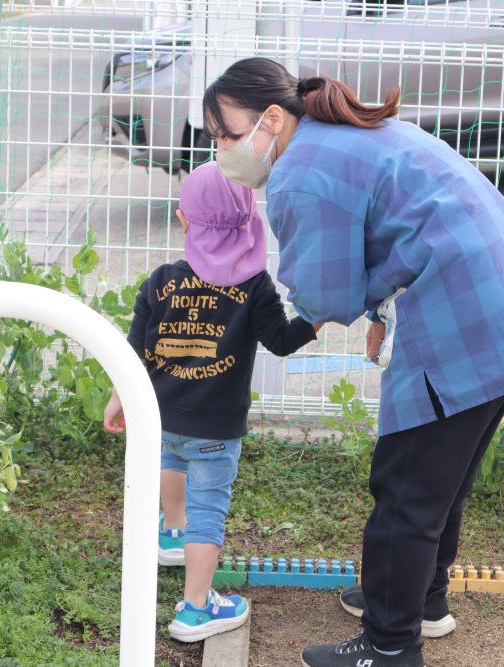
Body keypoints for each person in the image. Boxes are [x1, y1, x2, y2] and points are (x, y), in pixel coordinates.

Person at [202, 57, 504, 667]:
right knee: (440, 483)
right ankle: (421, 601)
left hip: (457, 315)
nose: (220, 150)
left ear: (270, 118)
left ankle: (388, 643)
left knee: (405, 489)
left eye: (224, 134)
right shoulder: (351, 131)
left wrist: (300, 318)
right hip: (497, 302)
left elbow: (326, 293)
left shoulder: (301, 171)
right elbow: (406, 225)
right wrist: (381, 309)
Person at [102, 161, 320, 643]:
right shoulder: (255, 286)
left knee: (170, 457)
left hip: (160, 414)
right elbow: (281, 340)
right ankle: (197, 609)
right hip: (216, 429)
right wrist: (317, 317)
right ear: (248, 221)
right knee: (210, 510)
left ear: (184, 221)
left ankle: (171, 531)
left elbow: (134, 348)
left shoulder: (160, 280)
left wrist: (120, 396)